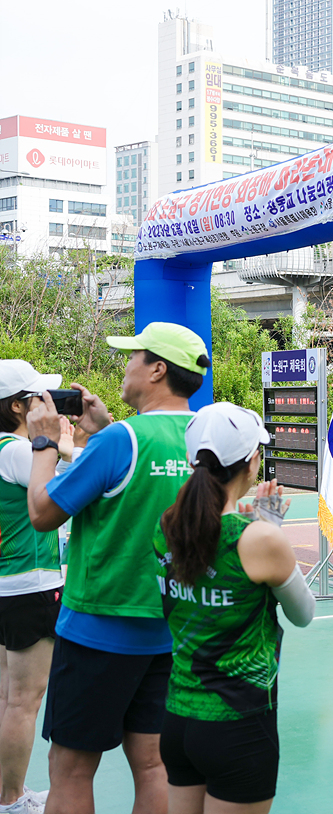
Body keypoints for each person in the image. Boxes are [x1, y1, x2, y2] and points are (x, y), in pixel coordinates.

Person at [25, 322, 211, 814]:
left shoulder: (121, 441)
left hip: (97, 631)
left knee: (69, 768)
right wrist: (106, 428)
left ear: (156, 369)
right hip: (171, 631)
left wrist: (44, 443)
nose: (124, 366)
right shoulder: (202, 439)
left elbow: (44, 514)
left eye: (133, 356)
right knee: (153, 766)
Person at [154, 402, 316, 813]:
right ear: (249, 463)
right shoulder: (259, 539)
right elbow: (303, 614)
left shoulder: (168, 526)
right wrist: (270, 527)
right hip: (238, 725)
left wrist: (262, 527)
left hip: (178, 719)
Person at [0, 362, 75, 814]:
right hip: (31, 585)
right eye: (37, 399)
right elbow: (66, 487)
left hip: (7, 587)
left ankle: (7, 792)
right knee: (24, 702)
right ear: (16, 407)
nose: (46, 405)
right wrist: (63, 447)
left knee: (8, 698)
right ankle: (12, 799)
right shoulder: (17, 451)